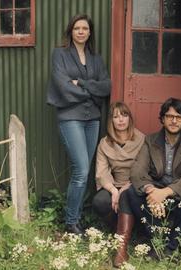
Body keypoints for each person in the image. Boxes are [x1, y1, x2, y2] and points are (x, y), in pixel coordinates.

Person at [46, 14, 111, 235]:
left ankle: (76, 218)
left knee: (84, 170)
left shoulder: (97, 59)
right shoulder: (60, 55)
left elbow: (106, 87)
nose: (81, 32)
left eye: (85, 28)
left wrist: (82, 83)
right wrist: (91, 92)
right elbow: (62, 87)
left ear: (90, 32)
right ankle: (71, 221)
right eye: (77, 28)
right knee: (82, 170)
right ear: (70, 32)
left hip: (92, 119)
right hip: (70, 117)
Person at [127, 98, 181, 256]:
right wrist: (151, 191)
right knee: (131, 191)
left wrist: (166, 192)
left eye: (179, 117)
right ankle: (156, 240)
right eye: (169, 116)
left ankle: (171, 246)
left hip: (180, 193)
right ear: (162, 119)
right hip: (156, 190)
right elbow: (137, 170)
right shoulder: (150, 140)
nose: (174, 121)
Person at [91, 102, 145, 267]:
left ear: (129, 118)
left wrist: (128, 187)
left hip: (135, 184)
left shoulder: (141, 138)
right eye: (116, 116)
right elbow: (102, 172)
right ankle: (119, 232)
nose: (120, 120)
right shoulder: (105, 143)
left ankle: (124, 242)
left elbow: (144, 167)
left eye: (124, 115)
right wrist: (114, 190)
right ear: (111, 121)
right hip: (115, 183)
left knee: (130, 198)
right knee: (100, 201)